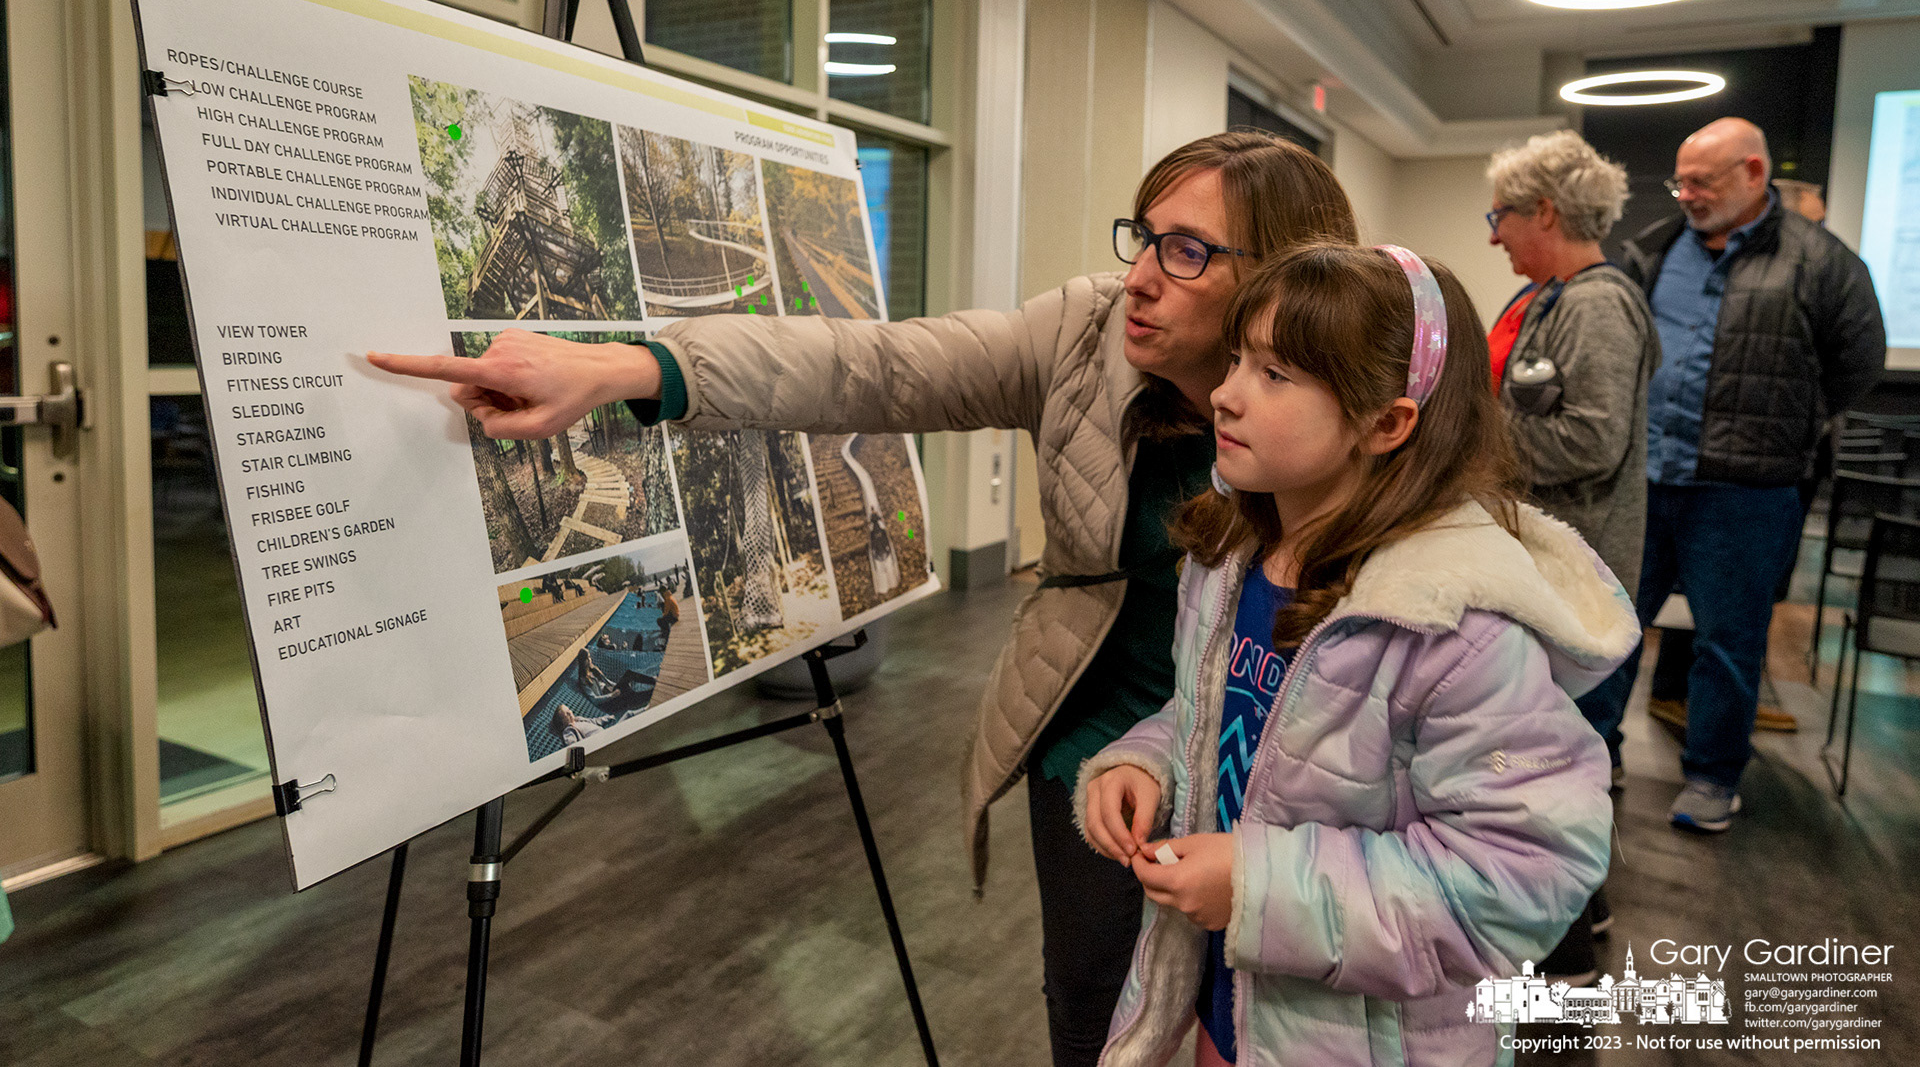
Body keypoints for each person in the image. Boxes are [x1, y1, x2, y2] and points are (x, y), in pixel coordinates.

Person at [369, 130, 1359, 1067]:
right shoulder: (1086, 333)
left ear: (1274, 278)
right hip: (1097, 734)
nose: (1141, 275)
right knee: (1100, 1012)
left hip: (1264, 745)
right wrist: (631, 367)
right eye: (1142, 236)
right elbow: (873, 367)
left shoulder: (1345, 402)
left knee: (1268, 1016)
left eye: (1186, 252)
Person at [1080, 243, 1633, 1066]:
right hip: (1227, 1009)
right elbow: (1232, 715)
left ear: (1386, 422)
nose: (1225, 394)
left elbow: (1525, 875)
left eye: (1275, 374)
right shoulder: (1232, 557)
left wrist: (1257, 887)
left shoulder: (1453, 626)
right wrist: (1149, 761)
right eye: (1237, 359)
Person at [1588, 117, 1885, 833]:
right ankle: (1596, 756)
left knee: (1729, 640)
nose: (1686, 193)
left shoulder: (1821, 261)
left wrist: (1790, 419)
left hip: (1747, 488)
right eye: (1680, 180)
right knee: (1611, 624)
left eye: (1703, 181)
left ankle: (1713, 777)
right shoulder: (1655, 251)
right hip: (1650, 477)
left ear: (1754, 173)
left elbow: (1858, 361)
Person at [1484, 130, 1653, 982]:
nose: (1494, 235)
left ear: (1544, 210)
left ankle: (1566, 962)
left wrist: (1471, 440)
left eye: (1501, 215)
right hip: (1553, 564)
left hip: (1581, 575)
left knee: (1553, 767)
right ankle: (1579, 912)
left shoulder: (1595, 304)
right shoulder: (1556, 298)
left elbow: (1590, 439)